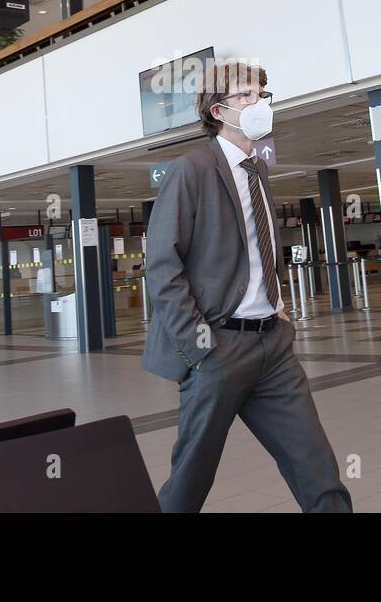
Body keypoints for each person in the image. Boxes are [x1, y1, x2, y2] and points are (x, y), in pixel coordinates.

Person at [142, 59, 352, 513]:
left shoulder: (258, 170)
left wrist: (272, 304)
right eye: (247, 96)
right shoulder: (193, 169)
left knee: (317, 468)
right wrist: (199, 345)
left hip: (272, 347)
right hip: (218, 348)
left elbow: (254, 251)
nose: (260, 103)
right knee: (191, 478)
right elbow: (161, 265)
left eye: (263, 94)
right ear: (219, 110)